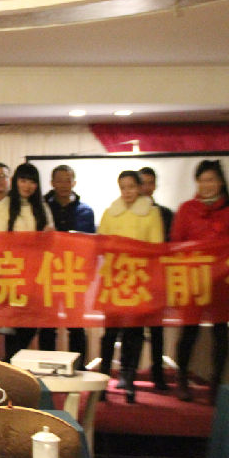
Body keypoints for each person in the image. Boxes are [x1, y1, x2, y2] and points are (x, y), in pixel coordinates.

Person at [171, 160, 229, 403]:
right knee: (189, 331)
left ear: (221, 183)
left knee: (221, 333)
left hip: (222, 280)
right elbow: (176, 241)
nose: (206, 185)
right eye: (202, 180)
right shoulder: (186, 209)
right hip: (194, 280)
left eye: (211, 180)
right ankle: (182, 379)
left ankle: (216, 383)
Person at [97, 170, 163, 404]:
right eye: (123, 187)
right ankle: (103, 380)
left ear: (140, 188)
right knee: (109, 334)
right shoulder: (110, 213)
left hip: (138, 281)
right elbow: (101, 244)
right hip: (114, 281)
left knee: (134, 334)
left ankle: (129, 379)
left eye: (131, 187)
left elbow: (156, 247)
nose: (127, 192)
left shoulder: (151, 213)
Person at [0, 163, 54, 361]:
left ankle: (10, 365)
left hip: (36, 278)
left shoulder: (43, 208)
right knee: (12, 328)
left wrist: (49, 237)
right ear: (15, 182)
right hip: (10, 276)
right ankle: (9, 366)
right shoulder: (0, 208)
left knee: (30, 326)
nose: (27, 186)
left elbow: (50, 244)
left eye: (32, 182)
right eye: (23, 180)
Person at [44, 165, 96, 368]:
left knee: (76, 325)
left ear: (74, 183)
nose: (64, 184)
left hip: (75, 274)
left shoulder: (85, 211)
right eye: (60, 180)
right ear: (52, 183)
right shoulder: (43, 208)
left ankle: (79, 367)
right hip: (48, 273)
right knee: (48, 325)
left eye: (68, 180)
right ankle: (48, 366)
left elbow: (91, 245)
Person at [139, 166, 174, 391]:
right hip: (131, 278)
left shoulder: (166, 214)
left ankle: (158, 373)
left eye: (149, 182)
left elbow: (171, 245)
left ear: (155, 186)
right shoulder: (125, 213)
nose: (145, 187)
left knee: (156, 329)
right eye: (141, 183)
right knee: (132, 329)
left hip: (156, 278)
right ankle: (128, 373)